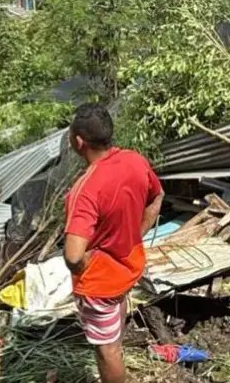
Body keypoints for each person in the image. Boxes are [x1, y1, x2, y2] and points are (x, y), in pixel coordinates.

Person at [63, 104, 164, 383]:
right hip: (129, 267)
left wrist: (88, 262)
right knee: (114, 327)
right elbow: (157, 197)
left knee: (108, 351)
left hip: (101, 283)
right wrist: (135, 234)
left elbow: (73, 256)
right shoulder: (135, 161)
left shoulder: (86, 190)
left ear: (78, 141)